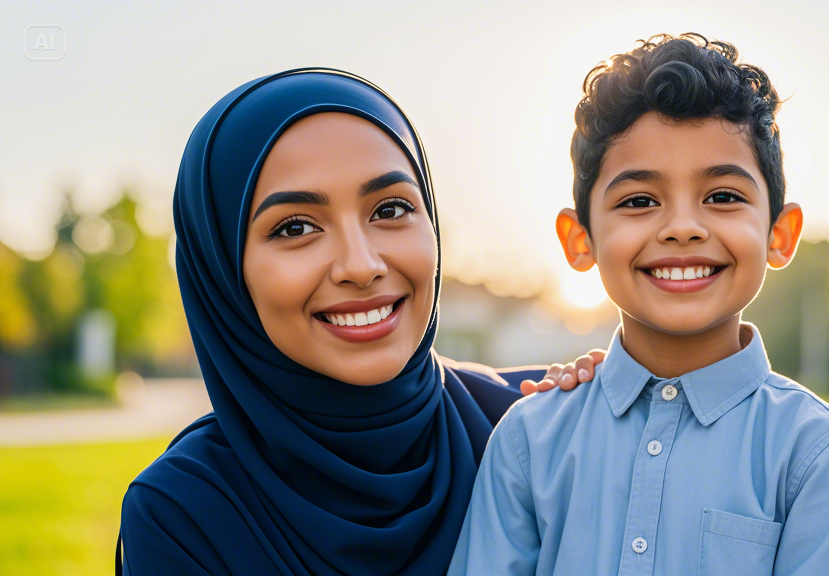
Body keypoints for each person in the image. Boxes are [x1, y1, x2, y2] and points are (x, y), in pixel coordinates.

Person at [117, 68, 602, 576]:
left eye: (390, 209)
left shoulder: (531, 430)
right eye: (296, 227)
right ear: (222, 269)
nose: (361, 265)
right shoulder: (184, 511)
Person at [449, 34, 829, 575]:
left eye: (723, 196)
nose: (682, 228)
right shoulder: (530, 440)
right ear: (580, 240)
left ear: (779, 233)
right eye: (639, 201)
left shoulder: (815, 451)